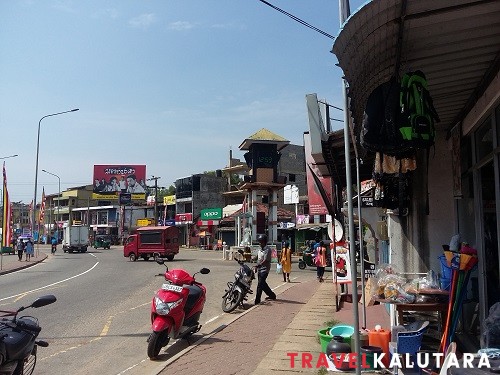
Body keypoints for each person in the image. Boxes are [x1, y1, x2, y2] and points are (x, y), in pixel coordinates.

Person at [253, 234, 276, 304]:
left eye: (261, 242)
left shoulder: (268, 250)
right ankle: (272, 295)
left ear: (265, 242)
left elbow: (266, 260)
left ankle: (257, 300)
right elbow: (256, 257)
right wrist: (249, 258)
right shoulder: (260, 249)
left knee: (260, 285)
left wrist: (258, 265)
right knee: (263, 284)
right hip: (259, 269)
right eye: (259, 242)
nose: (260, 244)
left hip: (265, 269)